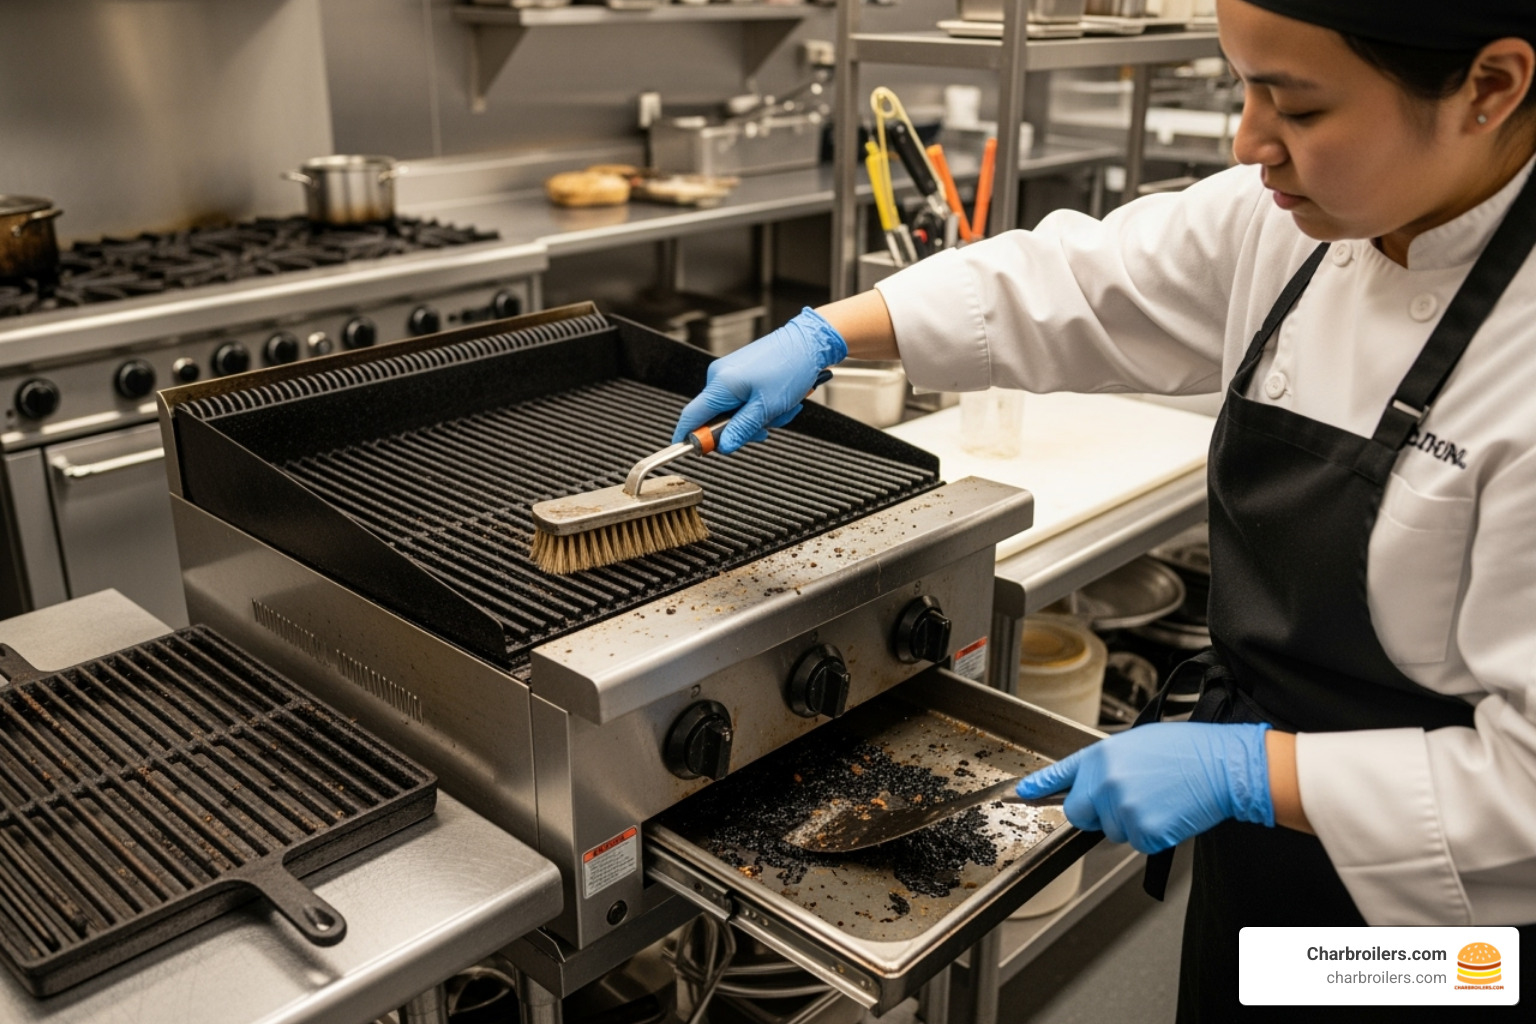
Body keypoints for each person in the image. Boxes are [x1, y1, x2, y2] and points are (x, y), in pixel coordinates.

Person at [672, 1, 1536, 1019]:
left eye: (1297, 106)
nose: (1248, 140)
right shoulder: (1296, 219)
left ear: (1489, 87)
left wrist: (1250, 772)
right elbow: (1080, 279)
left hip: (1450, 933)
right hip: (1265, 855)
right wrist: (829, 333)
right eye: (1243, 87)